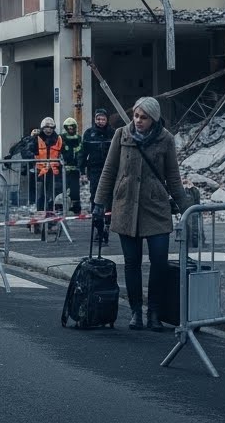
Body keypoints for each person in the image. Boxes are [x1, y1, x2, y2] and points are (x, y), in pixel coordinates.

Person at [91, 97, 190, 331]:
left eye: (143, 117)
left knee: (159, 263)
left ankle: (154, 311)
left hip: (155, 208)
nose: (138, 121)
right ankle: (136, 311)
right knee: (132, 263)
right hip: (126, 207)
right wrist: (98, 202)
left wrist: (187, 209)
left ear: (153, 119)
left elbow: (173, 178)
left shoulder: (166, 139)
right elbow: (109, 169)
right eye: (136, 116)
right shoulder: (121, 135)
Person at [81, 109, 114, 244]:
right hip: (95, 170)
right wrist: (82, 170)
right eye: (98, 119)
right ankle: (98, 229)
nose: (100, 121)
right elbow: (83, 153)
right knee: (96, 199)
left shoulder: (113, 133)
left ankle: (108, 224)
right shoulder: (89, 133)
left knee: (110, 199)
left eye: (103, 119)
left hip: (111, 170)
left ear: (107, 120)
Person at [60, 117, 84, 214]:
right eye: (68, 128)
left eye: (72, 128)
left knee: (75, 189)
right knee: (61, 189)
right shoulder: (61, 138)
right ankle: (60, 207)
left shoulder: (78, 138)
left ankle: (76, 207)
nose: (70, 129)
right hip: (63, 169)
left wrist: (81, 167)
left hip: (75, 169)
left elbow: (80, 152)